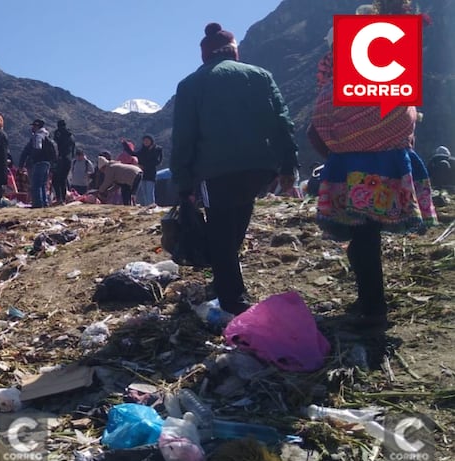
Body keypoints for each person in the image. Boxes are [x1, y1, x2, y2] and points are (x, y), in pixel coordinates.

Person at [308, 2, 437, 328]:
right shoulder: (389, 81)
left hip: (353, 170)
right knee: (367, 238)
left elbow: (319, 126)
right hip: (391, 165)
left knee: (363, 239)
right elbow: (405, 119)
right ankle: (369, 301)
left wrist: (342, 151)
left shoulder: (339, 83)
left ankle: (373, 308)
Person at [171, 22, 299, 316]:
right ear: (234, 51)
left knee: (219, 229)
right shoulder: (260, 76)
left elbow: (184, 138)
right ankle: (225, 282)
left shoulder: (191, 85)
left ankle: (233, 300)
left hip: (215, 173)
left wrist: (183, 183)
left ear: (205, 55)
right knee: (237, 220)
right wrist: (288, 163)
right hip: (258, 168)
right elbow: (282, 121)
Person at [18, 119, 55, 208]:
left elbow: (38, 147)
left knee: (36, 183)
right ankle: (44, 202)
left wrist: (33, 158)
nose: (32, 128)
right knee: (42, 184)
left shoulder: (38, 136)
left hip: (38, 162)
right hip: (47, 162)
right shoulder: (47, 136)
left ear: (37, 126)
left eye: (34, 126)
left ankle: (37, 203)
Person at [135, 135, 164, 206]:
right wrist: (125, 145)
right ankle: (147, 207)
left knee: (149, 192)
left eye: (147, 140)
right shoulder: (142, 151)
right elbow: (134, 154)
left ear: (151, 141)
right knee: (144, 193)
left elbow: (157, 161)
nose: (146, 142)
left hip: (150, 174)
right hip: (142, 174)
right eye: (144, 141)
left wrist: (145, 166)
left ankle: (151, 206)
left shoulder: (156, 149)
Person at [53, 120, 76, 204]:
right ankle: (63, 199)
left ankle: (59, 199)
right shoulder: (71, 136)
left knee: (56, 180)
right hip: (69, 160)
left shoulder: (59, 132)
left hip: (61, 158)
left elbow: (56, 144)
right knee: (63, 180)